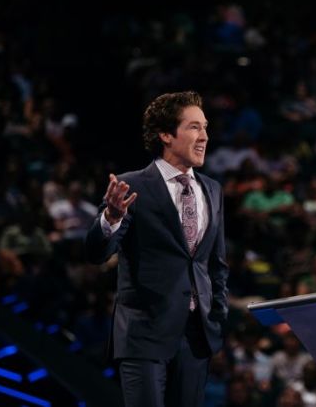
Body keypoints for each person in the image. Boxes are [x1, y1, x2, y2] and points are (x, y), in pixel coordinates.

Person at [85, 91, 228, 407]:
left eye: (204, 127)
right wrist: (111, 217)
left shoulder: (213, 190)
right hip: (144, 335)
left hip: (196, 338)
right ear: (166, 134)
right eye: (193, 127)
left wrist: (217, 313)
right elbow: (96, 253)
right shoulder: (130, 186)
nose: (204, 136)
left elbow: (215, 264)